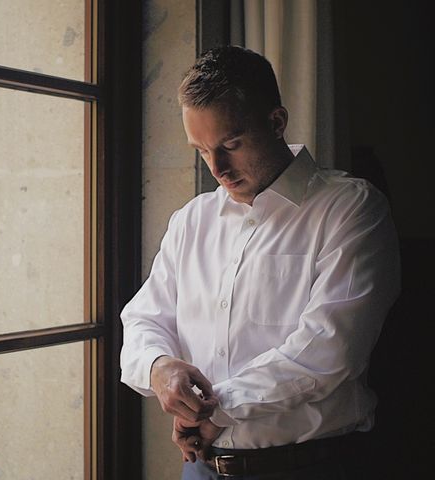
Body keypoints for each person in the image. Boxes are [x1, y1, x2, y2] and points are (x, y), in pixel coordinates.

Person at [120, 45, 400, 479]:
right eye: (202, 150)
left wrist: (214, 408)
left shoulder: (350, 210)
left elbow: (329, 350)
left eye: (231, 144)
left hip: (311, 466)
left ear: (276, 122)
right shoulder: (191, 221)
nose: (218, 168)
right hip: (201, 469)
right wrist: (160, 369)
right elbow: (143, 319)